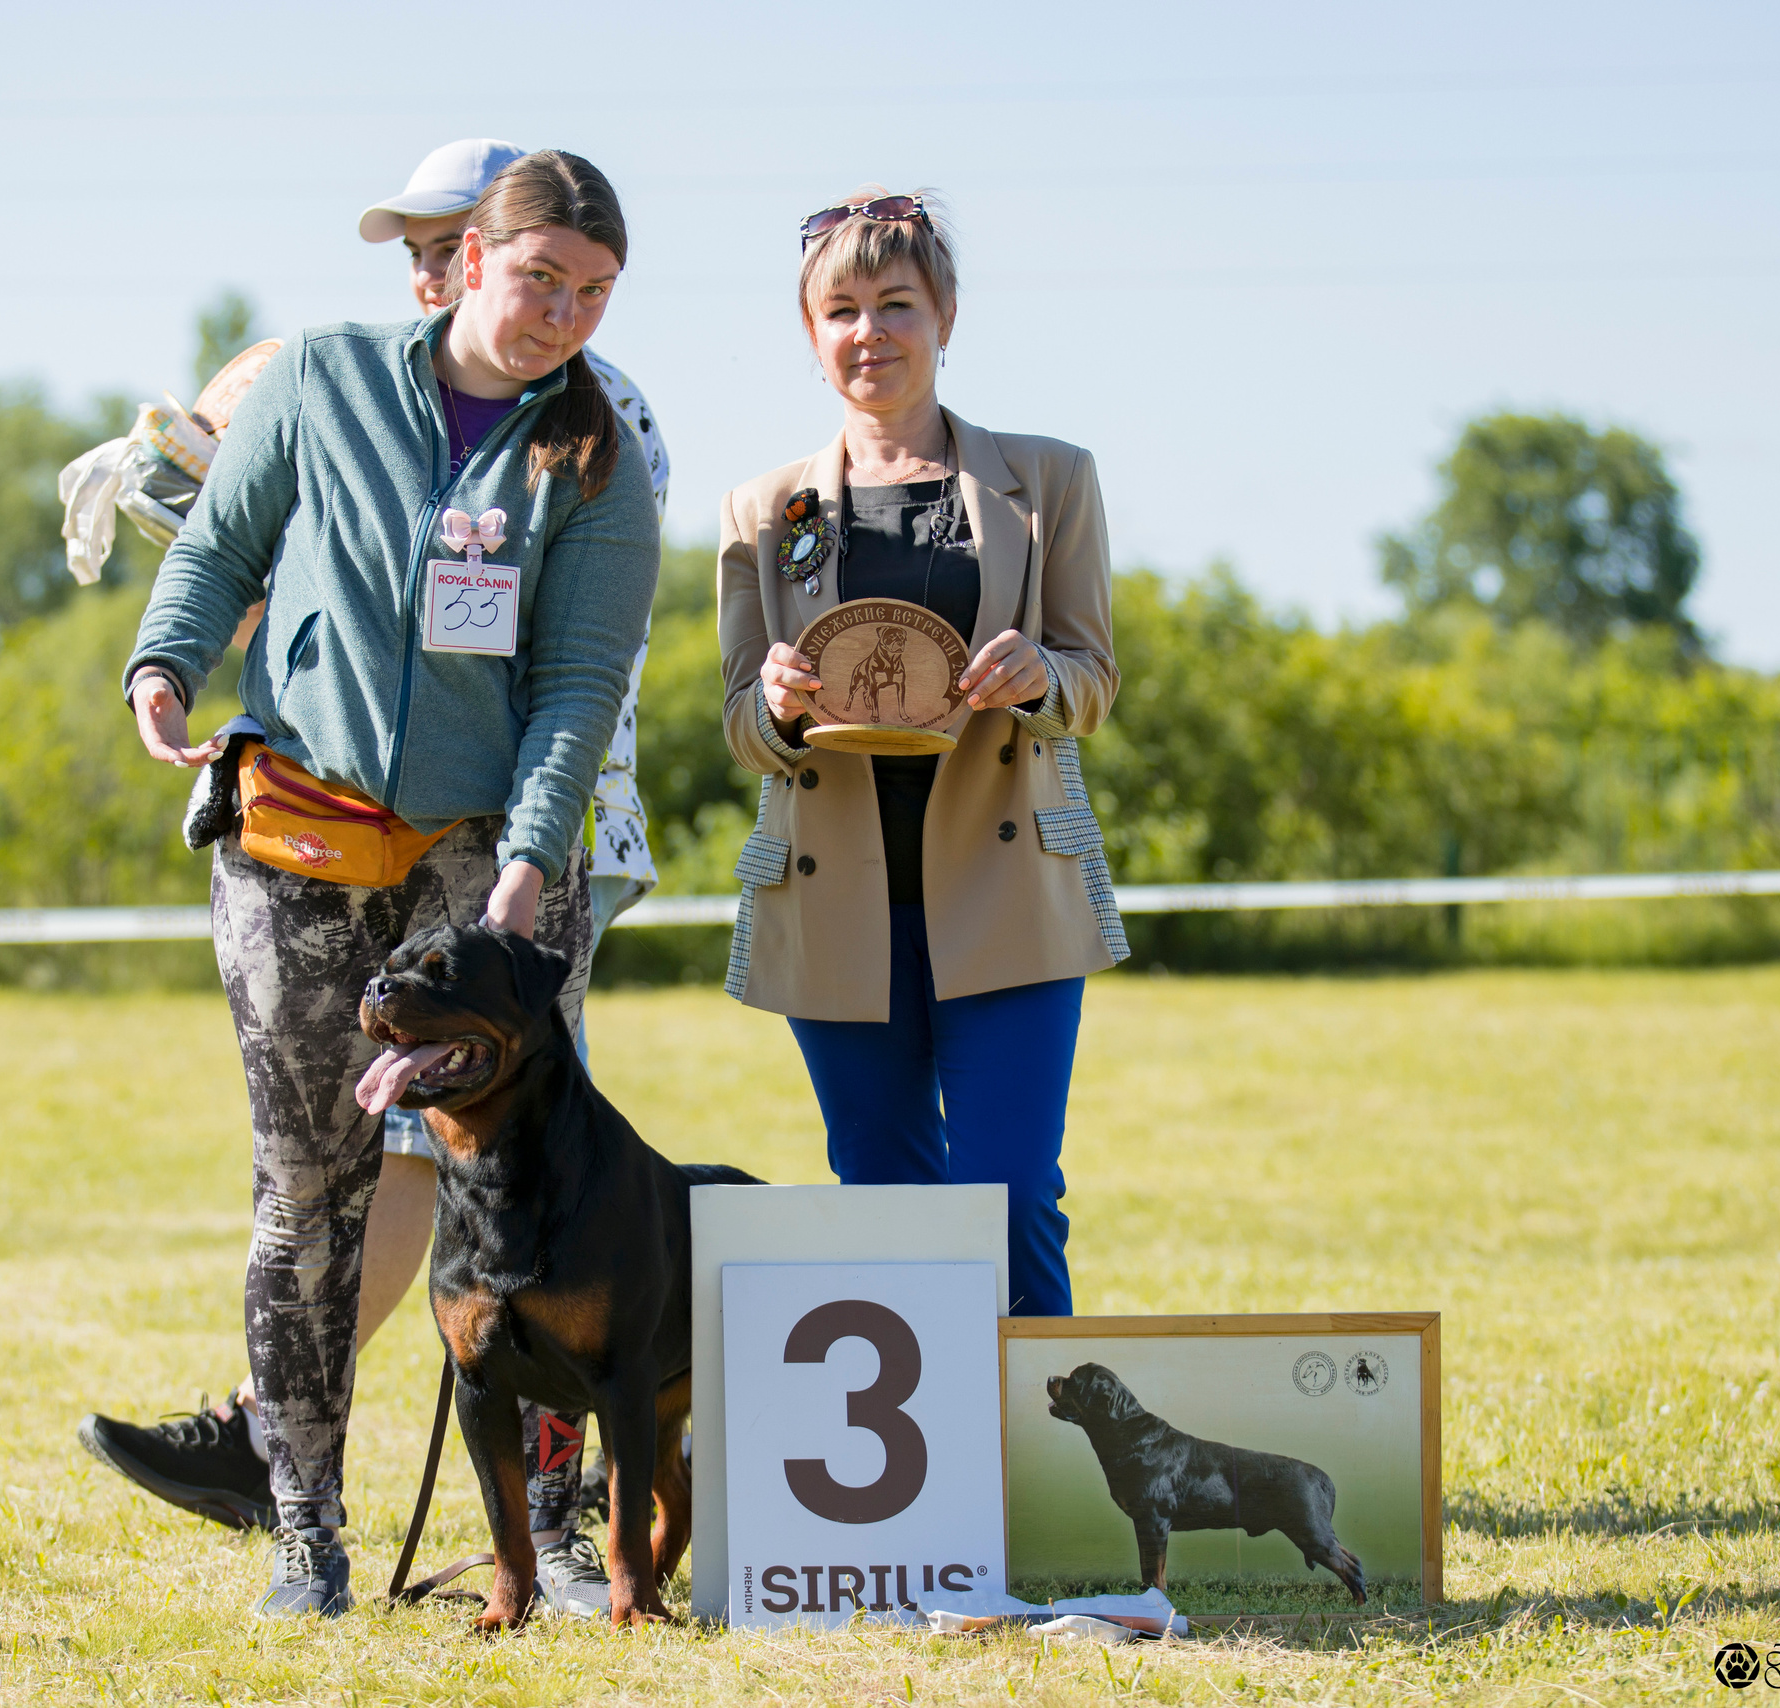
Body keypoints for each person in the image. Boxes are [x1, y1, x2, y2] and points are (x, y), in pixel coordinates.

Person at [77, 139, 668, 1623]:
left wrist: (532, 861)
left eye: (593, 293)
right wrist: (163, 660)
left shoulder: (595, 451)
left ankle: (556, 1529)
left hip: (492, 857)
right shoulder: (323, 375)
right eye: (540, 279)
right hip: (300, 831)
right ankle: (304, 1533)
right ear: (472, 259)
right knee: (311, 1189)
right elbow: (221, 544)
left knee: (538, 1182)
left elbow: (580, 683)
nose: (563, 316)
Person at [717, 188, 1128, 1318]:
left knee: (1010, 1194)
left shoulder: (1049, 481)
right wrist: (776, 702)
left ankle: (1044, 1471)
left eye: (895, 303)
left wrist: (1044, 677)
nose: (870, 332)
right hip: (835, 900)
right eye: (840, 309)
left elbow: (1093, 680)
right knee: (883, 1195)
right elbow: (739, 728)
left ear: (945, 314)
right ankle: (923, 1488)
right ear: (810, 335)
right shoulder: (762, 510)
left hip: (1009, 891)